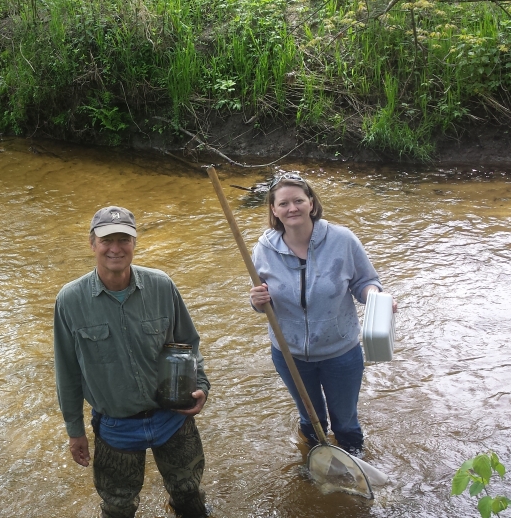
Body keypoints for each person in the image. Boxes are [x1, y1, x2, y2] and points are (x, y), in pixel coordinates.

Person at [54, 205, 211, 518]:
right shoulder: (70, 300)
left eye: (124, 239)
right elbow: (67, 371)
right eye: (106, 239)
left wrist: (201, 386)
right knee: (118, 507)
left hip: (172, 417)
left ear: (135, 243)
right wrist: (75, 431)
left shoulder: (162, 286)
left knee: (189, 494)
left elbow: (188, 342)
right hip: (116, 427)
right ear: (92, 243)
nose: (115, 248)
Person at [249, 172, 396, 456]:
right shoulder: (262, 250)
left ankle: (354, 468)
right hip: (289, 354)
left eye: (298, 201)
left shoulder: (342, 240)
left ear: (312, 204)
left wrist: (375, 298)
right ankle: (316, 468)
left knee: (346, 422)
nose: (292, 208)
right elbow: (260, 301)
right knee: (311, 421)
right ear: (273, 210)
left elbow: (364, 282)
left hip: (340, 353)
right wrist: (256, 300)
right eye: (283, 203)